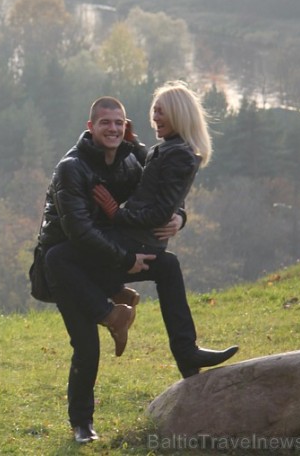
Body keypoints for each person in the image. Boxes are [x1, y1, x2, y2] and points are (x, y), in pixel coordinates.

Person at [42, 84, 238, 444]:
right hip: (70, 269)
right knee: (86, 347)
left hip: (110, 255)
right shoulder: (72, 168)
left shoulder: (134, 156)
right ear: (91, 125)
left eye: (119, 122)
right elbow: (80, 233)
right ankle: (82, 423)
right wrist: (128, 259)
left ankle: (187, 354)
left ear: (126, 125)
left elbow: (162, 191)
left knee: (169, 266)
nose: (113, 129)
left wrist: (180, 217)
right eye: (105, 123)